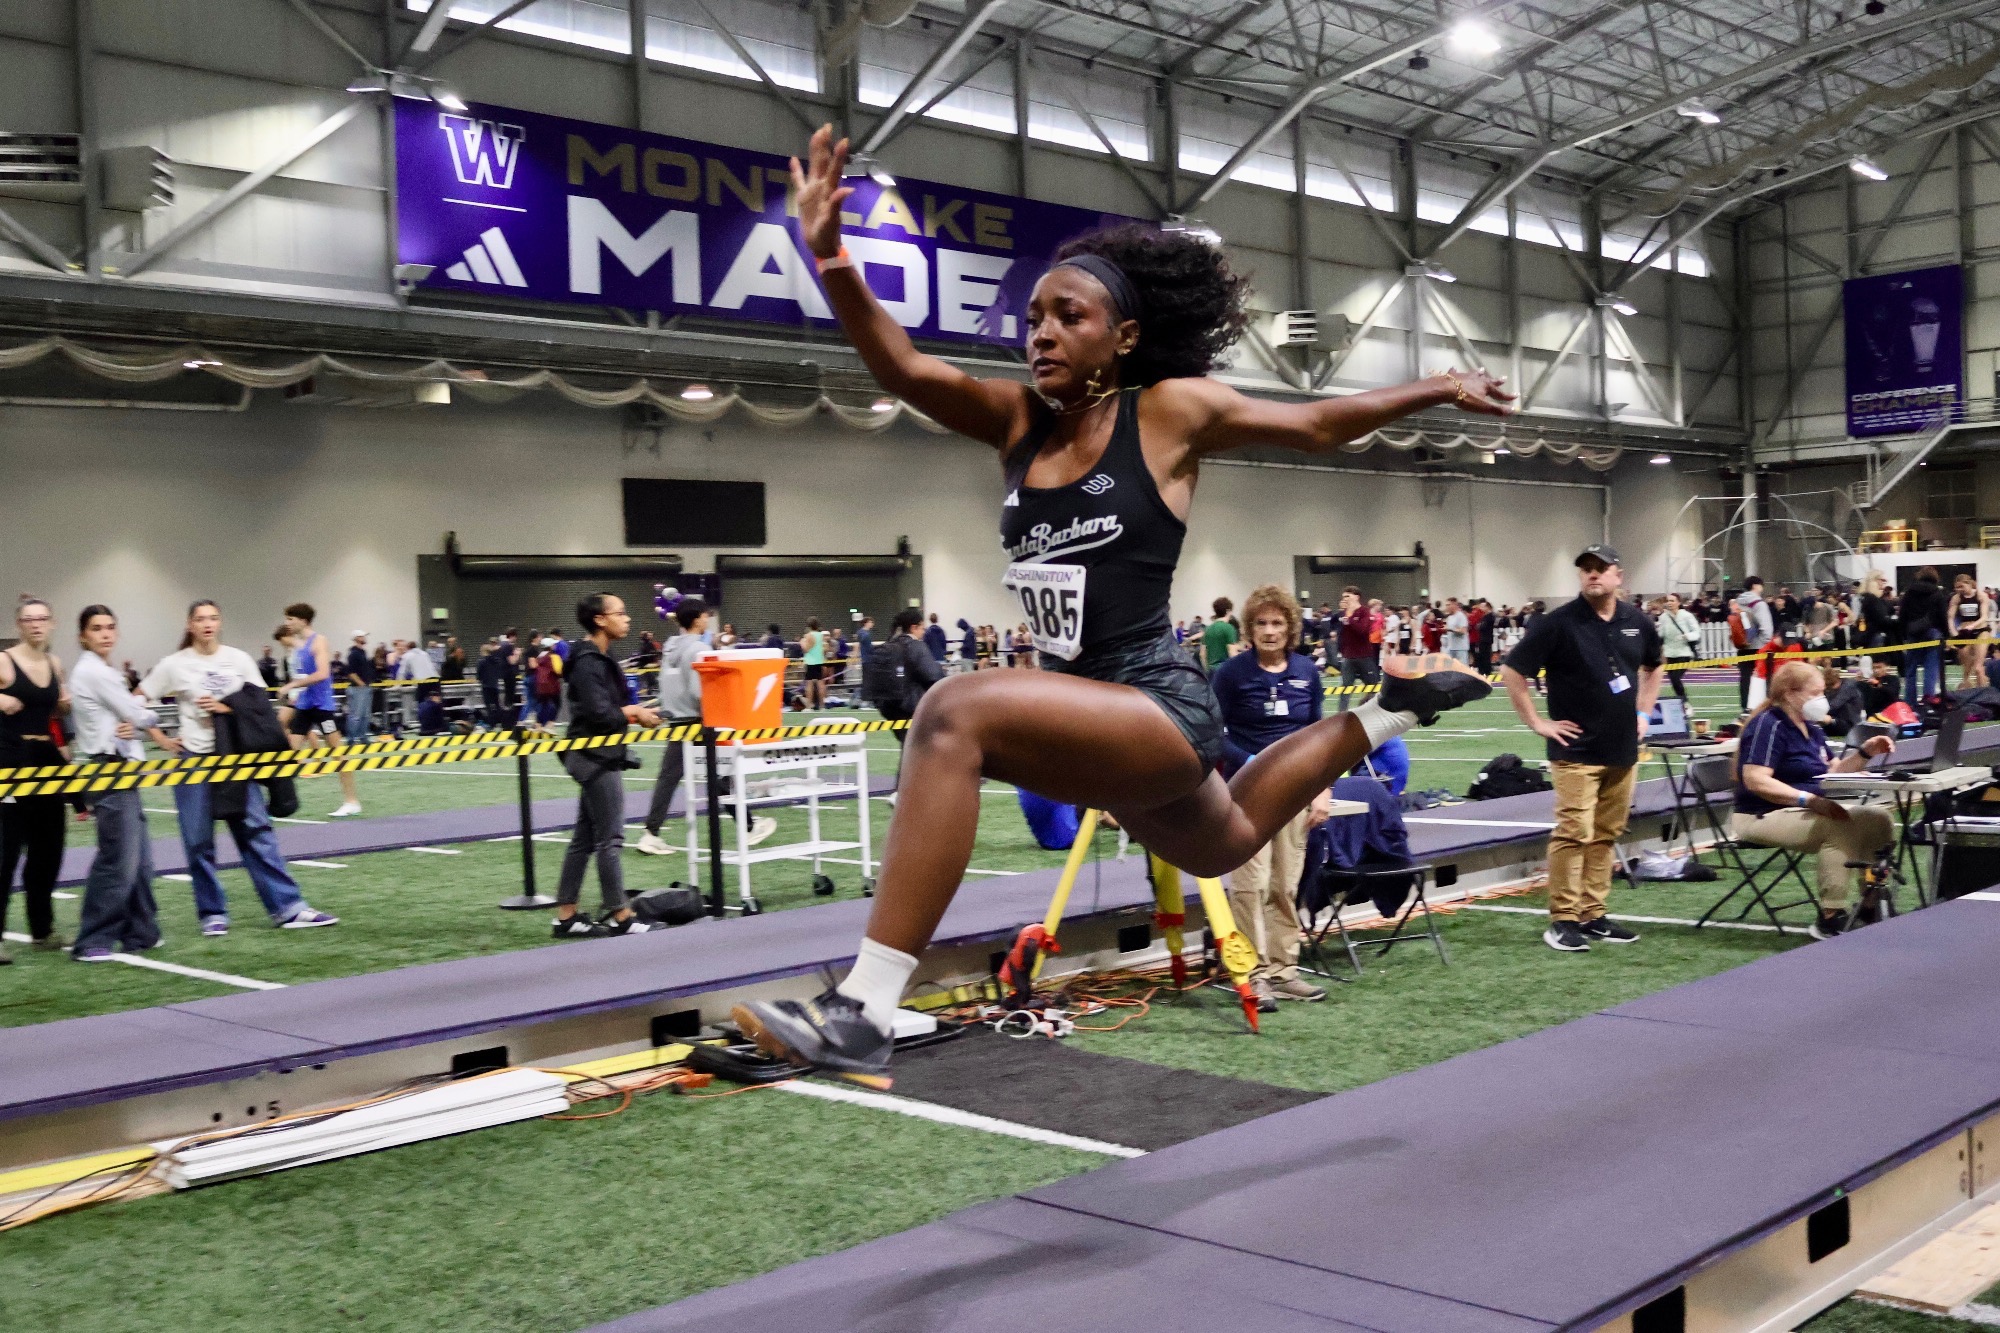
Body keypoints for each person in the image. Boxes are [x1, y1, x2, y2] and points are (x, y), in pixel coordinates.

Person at [732, 126, 1506, 1084]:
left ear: (1125, 337)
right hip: (1086, 705)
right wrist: (831, 256)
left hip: (1155, 701)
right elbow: (902, 370)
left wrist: (1441, 384)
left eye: (1069, 317)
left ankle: (865, 1006)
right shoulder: (1015, 423)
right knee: (1223, 837)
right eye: (1034, 319)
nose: (1042, 333)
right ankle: (1390, 707)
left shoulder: (1168, 412)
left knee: (951, 711)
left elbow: (1311, 424)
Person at [1500, 545, 1663, 953]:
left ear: (1618, 576)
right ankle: (1564, 918)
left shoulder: (1635, 621)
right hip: (1576, 749)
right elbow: (1512, 670)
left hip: (1622, 746)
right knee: (1574, 832)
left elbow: (1654, 664)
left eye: (1600, 569)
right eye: (1586, 570)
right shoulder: (1558, 623)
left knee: (1606, 833)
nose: (1592, 575)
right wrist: (1537, 723)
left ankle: (1594, 913)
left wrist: (1644, 713)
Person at [140, 600, 336, 935]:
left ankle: (289, 907)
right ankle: (212, 914)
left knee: (257, 834)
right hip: (194, 761)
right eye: (200, 619)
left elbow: (260, 705)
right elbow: (138, 699)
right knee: (198, 840)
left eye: (213, 618)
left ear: (220, 622)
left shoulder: (238, 659)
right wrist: (160, 737)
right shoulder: (174, 664)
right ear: (190, 624)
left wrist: (225, 707)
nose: (207, 625)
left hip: (237, 759)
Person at [1210, 586, 1329, 1007]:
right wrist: (1253, 760)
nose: (1269, 630)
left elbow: (1319, 738)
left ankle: (1284, 971)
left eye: (1277, 623)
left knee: (1284, 885)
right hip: (1246, 793)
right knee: (1250, 886)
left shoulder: (1307, 672)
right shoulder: (1230, 674)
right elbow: (1211, 734)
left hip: (1295, 792)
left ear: (1291, 628)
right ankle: (1252, 973)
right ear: (1249, 628)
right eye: (1261, 623)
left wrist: (1322, 789)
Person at [1733, 660, 1897, 939]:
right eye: (1815, 693)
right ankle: (1830, 915)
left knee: (1880, 819)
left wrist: (1864, 754)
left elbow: (1832, 772)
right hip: (1761, 814)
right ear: (1789, 693)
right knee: (1837, 822)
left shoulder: (1812, 728)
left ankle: (1871, 903)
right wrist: (1807, 800)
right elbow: (1755, 779)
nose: (1822, 700)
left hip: (1803, 808)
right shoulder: (1769, 725)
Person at [550, 594, 664, 938]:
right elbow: (601, 715)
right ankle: (621, 916)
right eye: (621, 612)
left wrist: (634, 710)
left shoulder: (599, 656)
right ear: (600, 620)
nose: (627, 618)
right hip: (595, 757)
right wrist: (634, 713)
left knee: (583, 840)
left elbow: (607, 708)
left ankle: (566, 917)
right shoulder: (588, 662)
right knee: (610, 839)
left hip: (597, 754)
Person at [67, 605, 178, 962]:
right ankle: (92, 940)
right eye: (97, 628)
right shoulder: (94, 672)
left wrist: (128, 723)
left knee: (140, 859)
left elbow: (122, 718)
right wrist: (144, 714)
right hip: (109, 771)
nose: (105, 634)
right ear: (83, 635)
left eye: (110, 627)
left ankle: (142, 932)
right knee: (118, 860)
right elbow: (135, 713)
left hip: (120, 768)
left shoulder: (102, 670)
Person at [634, 598, 777, 857]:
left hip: (677, 719)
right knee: (721, 773)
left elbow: (668, 684)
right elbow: (699, 690)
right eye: (705, 614)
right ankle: (749, 826)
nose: (708, 618)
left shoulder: (669, 648)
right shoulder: (697, 649)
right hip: (698, 720)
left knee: (675, 777)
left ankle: (651, 833)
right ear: (697, 618)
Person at [0, 596, 70, 959]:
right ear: (19, 625)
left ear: (51, 623)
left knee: (49, 848)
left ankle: (41, 930)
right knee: (5, 853)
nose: (36, 624)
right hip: (10, 761)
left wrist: (66, 706)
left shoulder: (54, 662)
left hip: (47, 760)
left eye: (42, 618)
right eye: (29, 619)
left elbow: (60, 706)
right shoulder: (4, 662)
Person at [281, 604, 362, 818]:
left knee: (337, 753)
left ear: (303, 620)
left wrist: (292, 685)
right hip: (305, 705)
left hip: (322, 706)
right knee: (289, 752)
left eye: (290, 619)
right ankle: (280, 803)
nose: (287, 623)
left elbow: (322, 673)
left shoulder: (319, 641)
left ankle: (352, 801)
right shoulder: (299, 645)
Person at [1898, 565, 1947, 704]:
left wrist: (1903, 635)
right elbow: (1942, 617)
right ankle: (1928, 701)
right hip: (1933, 634)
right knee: (1931, 669)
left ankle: (1910, 703)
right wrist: (1946, 636)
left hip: (1913, 633)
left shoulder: (1909, 592)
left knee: (1911, 670)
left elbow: (1903, 615)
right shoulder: (1938, 593)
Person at [1332, 586, 1380, 712]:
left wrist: (1350, 616)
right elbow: (1336, 629)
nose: (1345, 599)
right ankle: (1341, 716)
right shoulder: (1342, 613)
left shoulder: (1364, 612)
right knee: (1345, 689)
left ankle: (1371, 710)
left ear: (1357, 597)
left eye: (1348, 596)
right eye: (1343, 597)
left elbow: (1362, 630)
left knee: (1374, 687)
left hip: (1364, 656)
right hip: (1348, 657)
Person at [1733, 578, 1776, 710]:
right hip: (1759, 646)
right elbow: (1766, 628)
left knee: (1745, 678)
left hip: (1742, 645)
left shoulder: (1736, 603)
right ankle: (1763, 706)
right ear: (1756, 586)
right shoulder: (1759, 603)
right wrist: (1767, 644)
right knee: (1763, 677)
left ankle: (1745, 707)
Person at [1657, 591, 1701, 709]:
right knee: (1673, 680)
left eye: (1672, 601)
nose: (1669, 603)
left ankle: (1685, 704)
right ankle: (1684, 703)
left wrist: (1687, 636)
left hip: (1684, 652)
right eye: (1667, 601)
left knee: (1676, 678)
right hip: (1669, 653)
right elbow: (1661, 635)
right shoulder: (1663, 617)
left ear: (1678, 602)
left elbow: (1697, 632)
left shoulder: (1687, 616)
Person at [1951, 571, 1993, 690]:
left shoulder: (1981, 596)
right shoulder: (1956, 598)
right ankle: (1967, 692)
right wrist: (1953, 632)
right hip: (1965, 633)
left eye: (1961, 586)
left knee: (1979, 668)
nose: (1959, 589)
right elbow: (1950, 617)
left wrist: (1973, 625)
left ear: (1969, 584)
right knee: (1966, 670)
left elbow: (1984, 616)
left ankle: (1983, 692)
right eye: (1957, 587)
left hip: (1981, 631)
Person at [1201, 596, 1238, 671]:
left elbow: (1202, 654)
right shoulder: (1228, 628)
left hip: (1211, 671)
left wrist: (1207, 670)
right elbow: (1232, 653)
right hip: (1225, 671)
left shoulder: (1207, 629)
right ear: (1228, 611)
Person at [800, 617, 829, 710]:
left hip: (811, 662)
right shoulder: (821, 635)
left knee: (810, 685)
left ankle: (808, 707)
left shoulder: (809, 635)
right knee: (821, 684)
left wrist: (801, 642)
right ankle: (822, 706)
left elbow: (806, 649)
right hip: (819, 661)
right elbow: (825, 648)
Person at [1442, 597, 1470, 664]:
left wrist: (1450, 629)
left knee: (1462, 670)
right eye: (1446, 605)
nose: (1447, 607)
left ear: (1454, 605)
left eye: (1448, 605)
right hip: (1451, 647)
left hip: (1460, 648)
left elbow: (1463, 631)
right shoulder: (1449, 617)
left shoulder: (1461, 616)